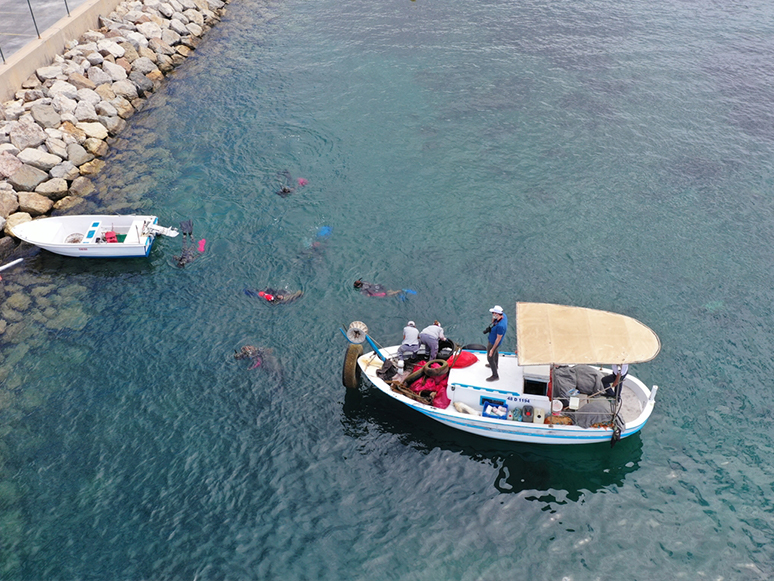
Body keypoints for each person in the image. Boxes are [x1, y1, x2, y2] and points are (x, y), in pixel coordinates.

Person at [485, 305, 507, 382]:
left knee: (490, 358)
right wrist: (494, 318)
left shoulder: (501, 326)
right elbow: (493, 322)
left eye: (493, 313)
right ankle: (496, 365)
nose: (492, 314)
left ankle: (495, 375)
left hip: (493, 342)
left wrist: (492, 349)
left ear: (497, 314)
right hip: (492, 339)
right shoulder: (503, 316)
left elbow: (498, 338)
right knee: (496, 353)